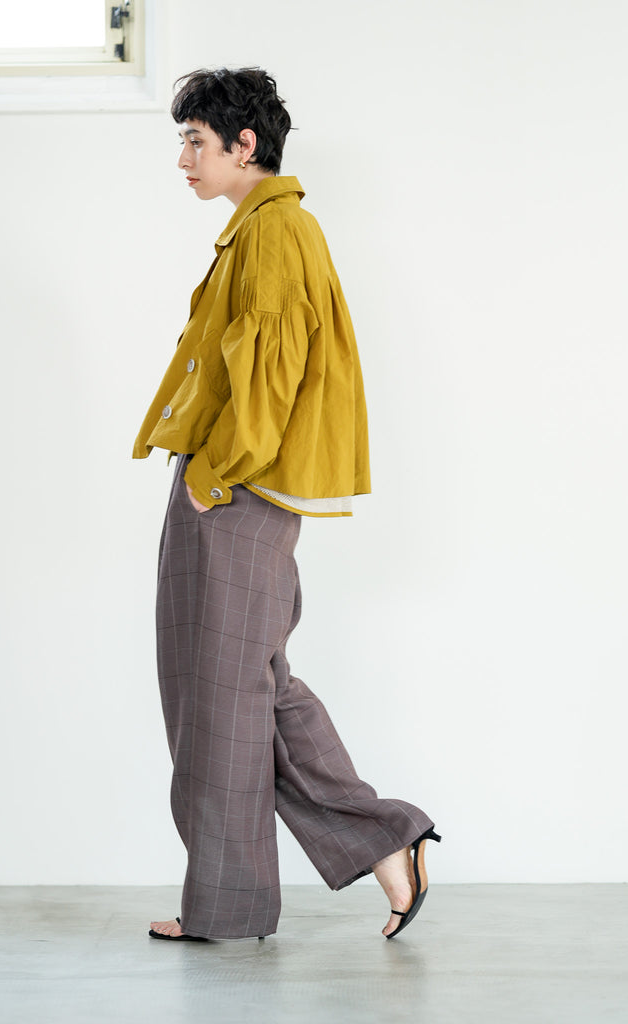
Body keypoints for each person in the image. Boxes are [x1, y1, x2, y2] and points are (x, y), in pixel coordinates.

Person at [133, 67, 439, 942]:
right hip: (235, 482)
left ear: (244, 145)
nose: (184, 159)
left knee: (221, 696)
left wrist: (214, 474)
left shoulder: (274, 230)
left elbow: (271, 369)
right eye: (183, 141)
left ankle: (231, 906)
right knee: (247, 687)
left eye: (195, 141)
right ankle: (382, 841)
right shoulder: (263, 228)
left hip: (236, 486)